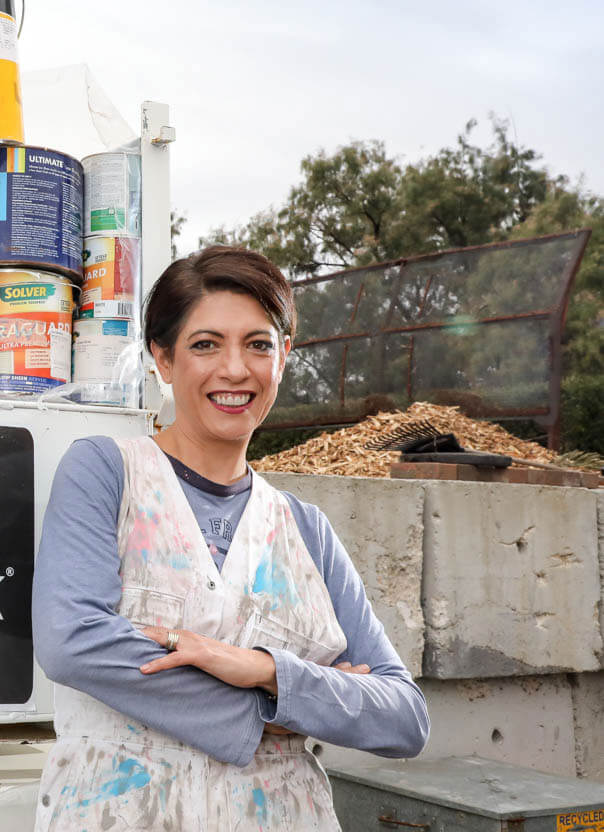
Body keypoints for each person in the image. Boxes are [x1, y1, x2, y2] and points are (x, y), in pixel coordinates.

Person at [33, 246, 428, 830]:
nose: (235, 369)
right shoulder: (107, 472)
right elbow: (73, 641)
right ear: (162, 359)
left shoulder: (306, 529)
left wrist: (266, 671)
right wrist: (279, 713)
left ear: (284, 356)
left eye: (259, 344)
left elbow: (402, 717)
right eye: (205, 344)